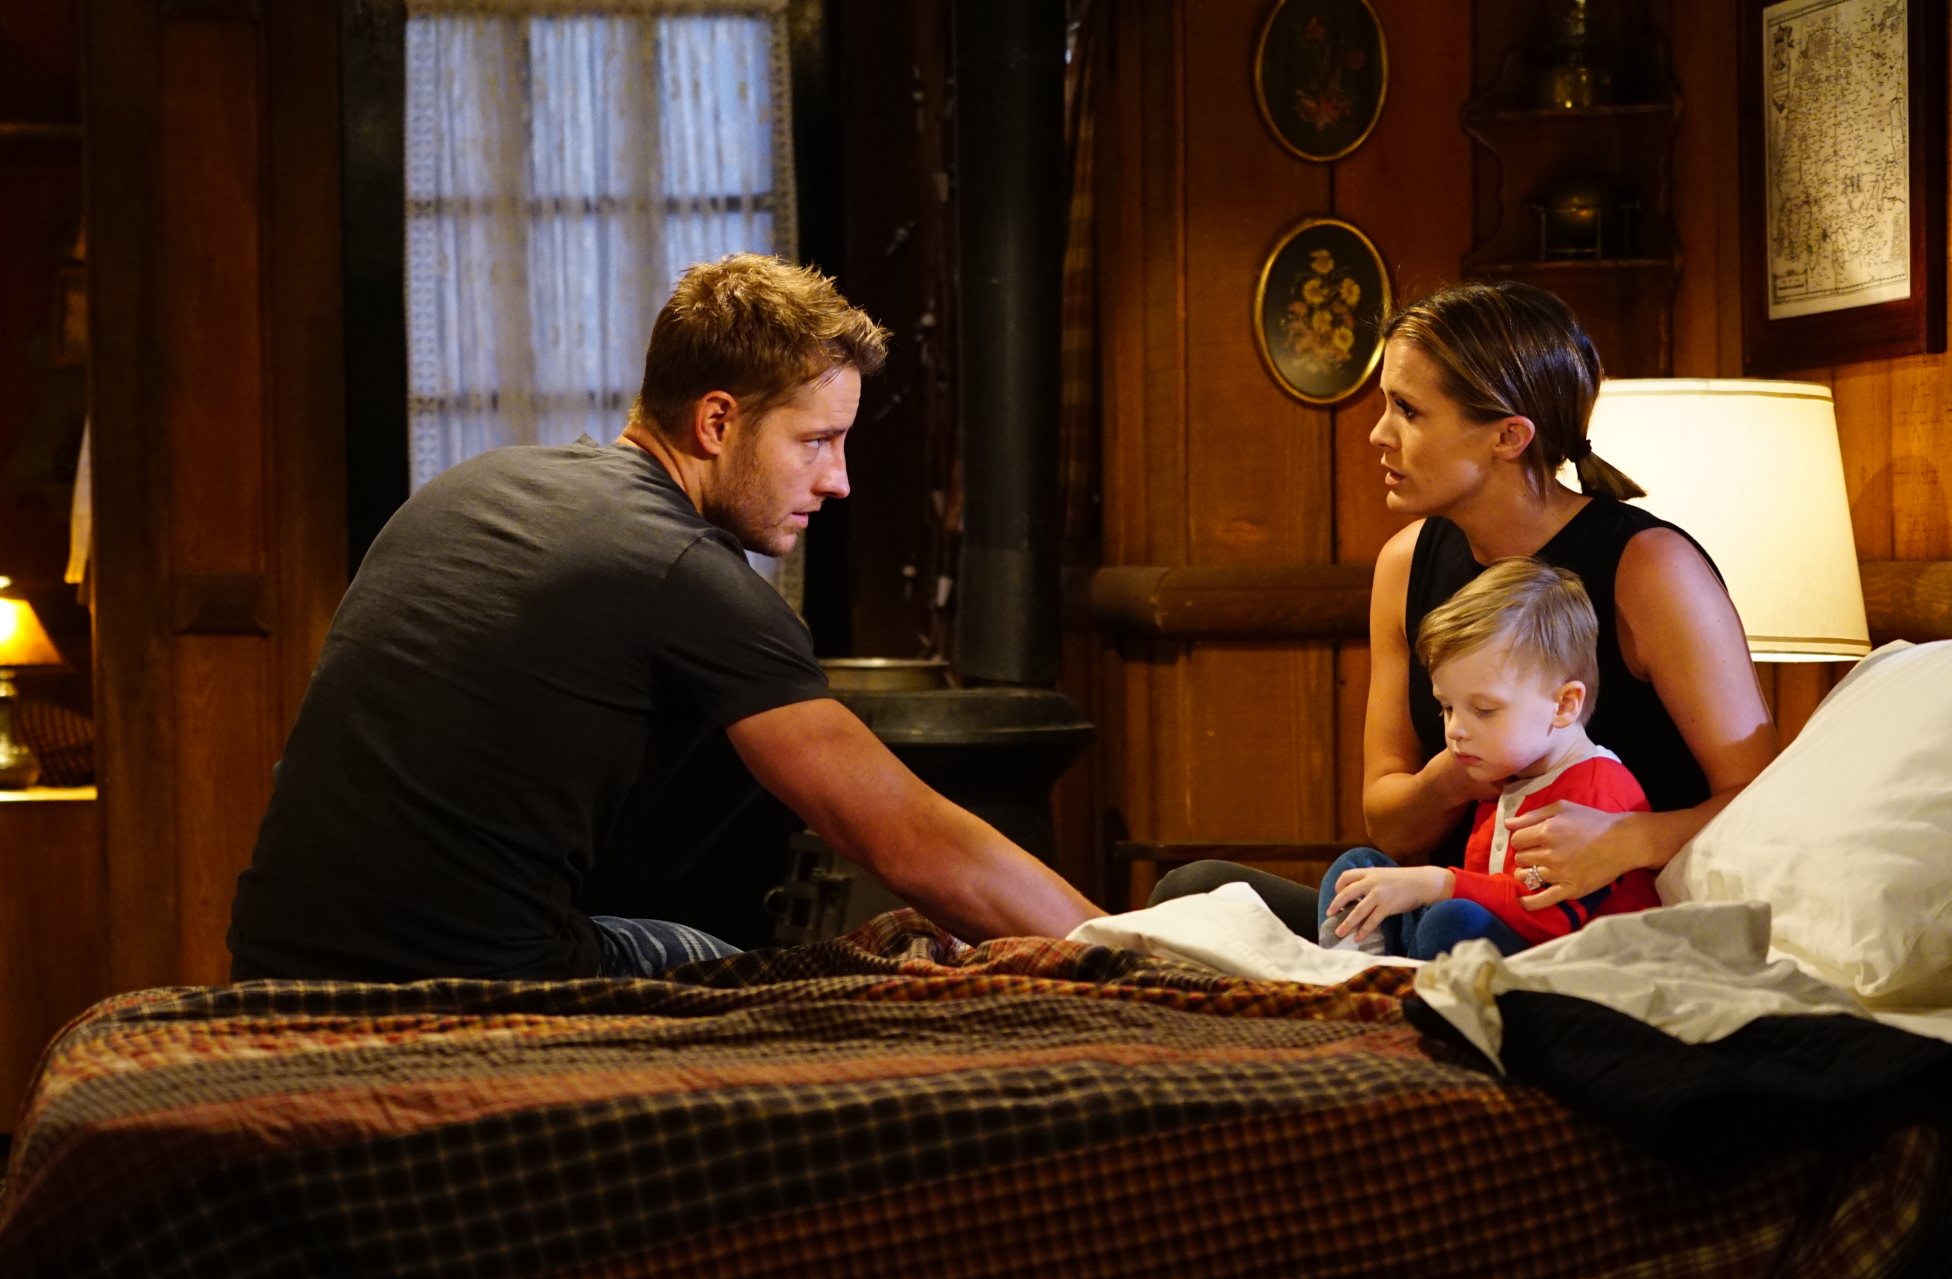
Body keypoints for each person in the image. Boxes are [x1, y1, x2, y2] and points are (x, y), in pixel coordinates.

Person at [228, 254, 1102, 983]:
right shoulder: (677, 564)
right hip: (471, 986)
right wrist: (1129, 955)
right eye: (815, 441)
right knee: (745, 975)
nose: (838, 480)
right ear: (717, 420)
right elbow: (906, 839)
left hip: (275, 964)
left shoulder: (476, 486)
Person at [1151, 281, 1777, 938]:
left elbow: (1761, 802)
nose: (1378, 435)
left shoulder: (1651, 568)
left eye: (1408, 411)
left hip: (1585, 925)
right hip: (1447, 899)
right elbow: (1389, 822)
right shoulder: (1405, 564)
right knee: (1192, 892)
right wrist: (1464, 768)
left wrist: (1631, 839)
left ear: (1507, 436)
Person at [1317, 556, 1657, 958]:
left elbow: (1550, 917)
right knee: (1358, 868)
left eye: (1484, 710)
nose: (1455, 730)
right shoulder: (1503, 775)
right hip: (1487, 951)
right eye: (1446, 707)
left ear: (1563, 704)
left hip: (1564, 962)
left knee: (1455, 918)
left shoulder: (1599, 789)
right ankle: (1358, 978)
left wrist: (1440, 885)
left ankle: (1396, 990)